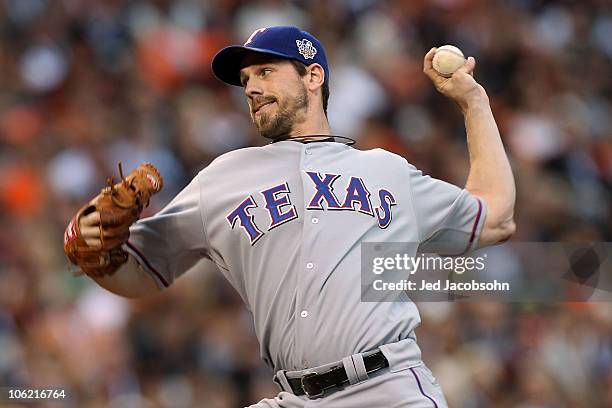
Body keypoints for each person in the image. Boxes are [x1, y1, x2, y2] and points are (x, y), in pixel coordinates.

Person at [73, 26, 515, 407]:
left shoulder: (385, 169)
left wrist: (474, 102)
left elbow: (495, 218)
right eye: (245, 79)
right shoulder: (222, 179)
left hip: (388, 388)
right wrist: (97, 250)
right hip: (295, 397)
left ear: (313, 76)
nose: (250, 87)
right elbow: (141, 273)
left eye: (265, 72)